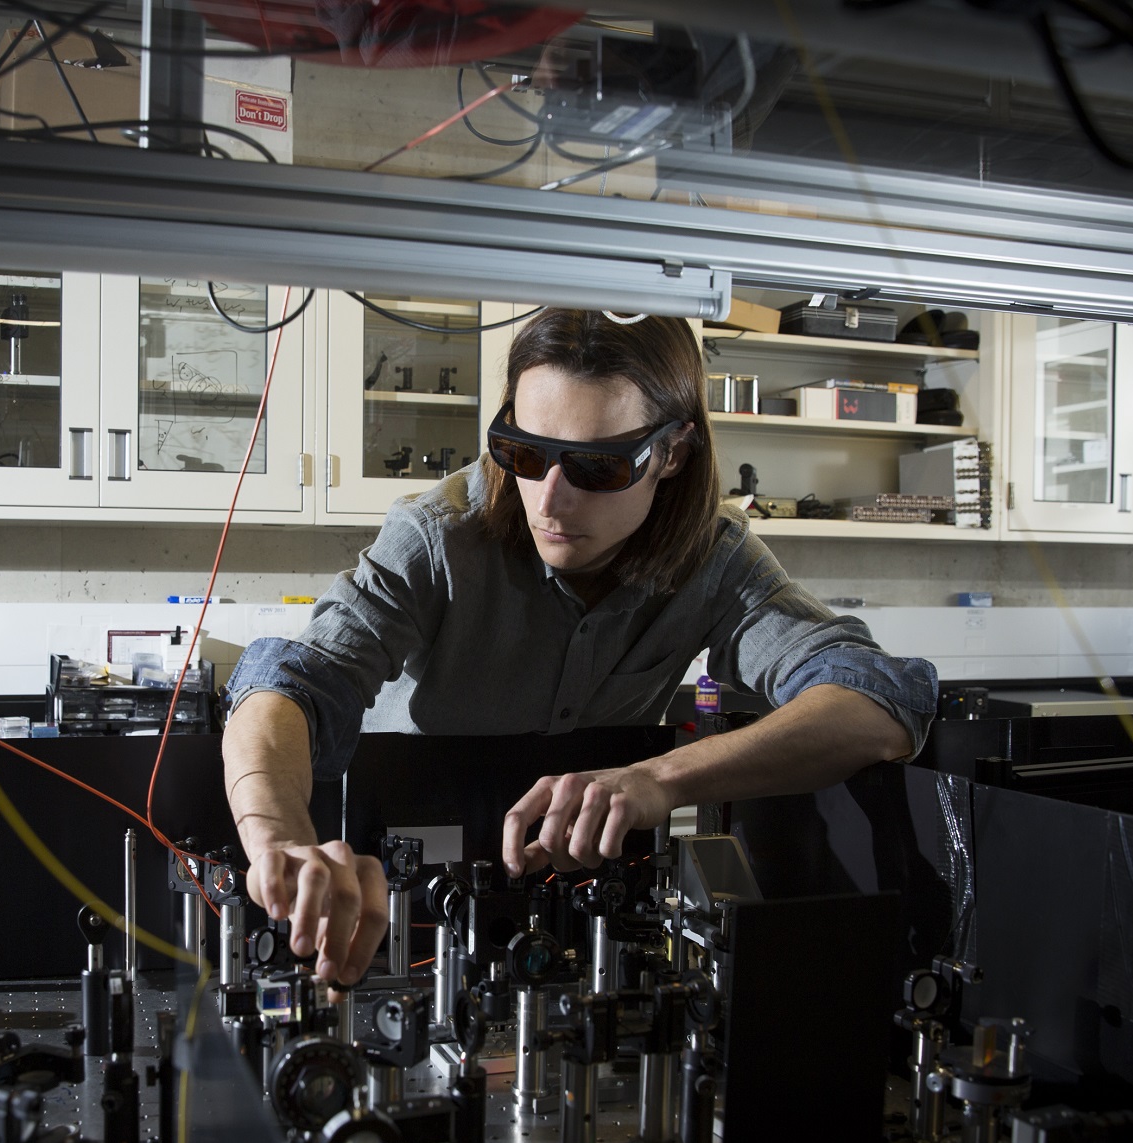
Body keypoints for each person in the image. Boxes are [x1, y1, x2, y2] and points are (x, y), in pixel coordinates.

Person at [222, 308, 937, 984]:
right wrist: (280, 840)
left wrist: (660, 779)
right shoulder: (438, 538)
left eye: (596, 467)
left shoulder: (713, 560)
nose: (549, 500)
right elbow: (291, 683)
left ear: (674, 453)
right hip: (407, 908)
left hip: (588, 905)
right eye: (524, 453)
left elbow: (876, 701)